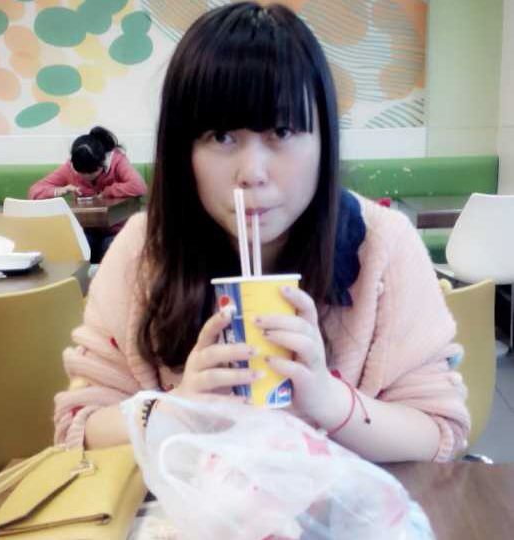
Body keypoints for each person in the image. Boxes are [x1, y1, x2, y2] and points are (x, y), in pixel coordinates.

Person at [54, 2, 469, 462]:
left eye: (283, 131)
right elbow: (80, 427)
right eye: (221, 137)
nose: (251, 173)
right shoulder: (141, 251)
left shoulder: (383, 246)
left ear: (324, 140)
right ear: (183, 150)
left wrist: (332, 403)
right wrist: (180, 409)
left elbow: (438, 432)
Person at [28, 126, 147, 262]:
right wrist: (60, 190)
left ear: (102, 163)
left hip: (117, 229)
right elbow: (34, 191)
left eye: (92, 172)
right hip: (87, 229)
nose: (87, 177)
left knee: (109, 247)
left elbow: (139, 186)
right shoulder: (69, 168)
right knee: (78, 247)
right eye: (81, 173)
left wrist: (108, 191)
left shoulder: (116, 160)